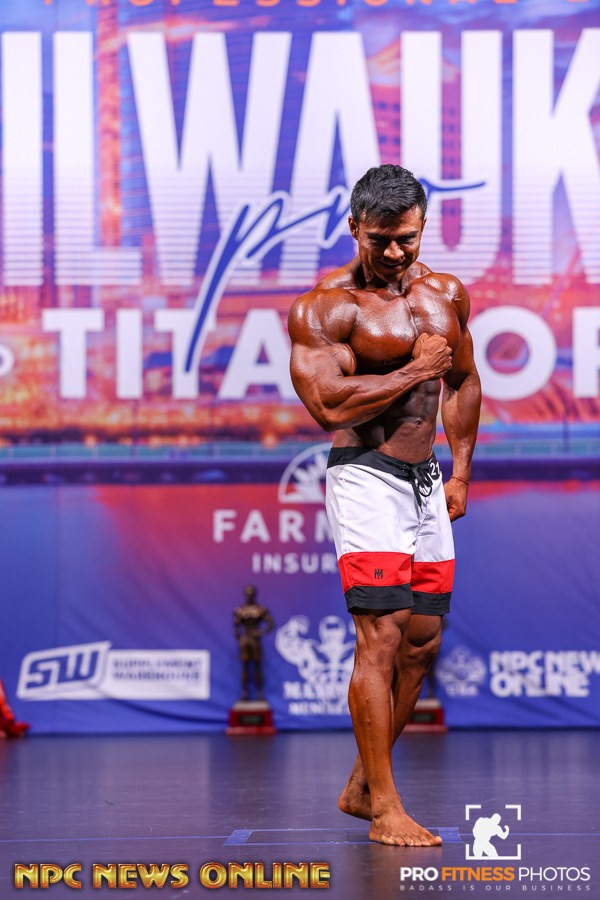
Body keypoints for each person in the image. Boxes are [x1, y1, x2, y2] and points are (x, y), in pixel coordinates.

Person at [288, 164, 481, 847]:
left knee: (422, 641)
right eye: (380, 240)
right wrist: (414, 371)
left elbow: (463, 381)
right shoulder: (326, 309)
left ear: (422, 226)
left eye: (407, 237)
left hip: (427, 479)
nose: (396, 252)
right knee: (383, 634)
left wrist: (460, 473)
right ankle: (386, 809)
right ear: (354, 228)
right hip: (365, 475)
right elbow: (328, 405)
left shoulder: (445, 293)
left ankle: (360, 785)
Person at [233, 585, 275, 701]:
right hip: (246, 640)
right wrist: (240, 639)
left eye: (251, 594)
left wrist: (260, 632)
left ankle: (260, 692)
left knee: (257, 667)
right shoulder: (240, 610)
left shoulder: (260, 609)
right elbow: (236, 628)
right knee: (245, 668)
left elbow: (271, 624)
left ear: (255, 595)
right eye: (248, 594)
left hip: (256, 641)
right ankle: (245, 692)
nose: (249, 596)